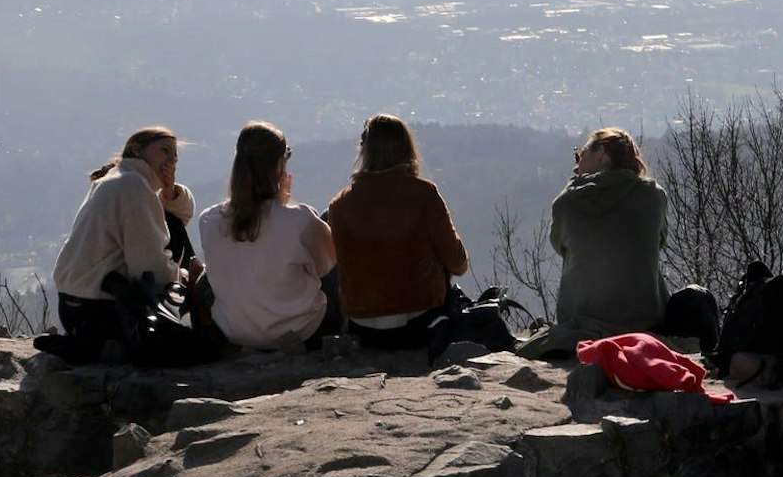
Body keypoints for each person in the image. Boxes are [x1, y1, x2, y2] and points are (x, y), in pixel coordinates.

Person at [518, 127, 669, 358]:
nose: (576, 163)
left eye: (582, 153)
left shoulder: (567, 204)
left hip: (581, 318)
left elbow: (560, 246)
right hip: (644, 320)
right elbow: (657, 243)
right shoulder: (653, 197)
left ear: (602, 155)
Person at [326, 114, 469, 350]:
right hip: (421, 320)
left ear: (364, 151)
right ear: (407, 148)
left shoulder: (339, 206)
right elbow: (457, 263)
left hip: (363, 327)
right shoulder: (424, 195)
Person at [51, 127, 193, 354]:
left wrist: (168, 191)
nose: (171, 159)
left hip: (74, 309)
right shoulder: (134, 187)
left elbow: (177, 220)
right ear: (137, 151)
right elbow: (149, 268)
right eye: (164, 150)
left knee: (173, 225)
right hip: (100, 313)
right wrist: (181, 279)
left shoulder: (118, 179)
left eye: (175, 155)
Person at [198, 122, 339, 350]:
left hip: (235, 335)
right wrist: (283, 201)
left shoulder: (209, 219)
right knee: (337, 262)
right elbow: (329, 266)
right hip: (303, 332)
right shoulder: (301, 219)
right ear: (279, 165)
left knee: (206, 276)